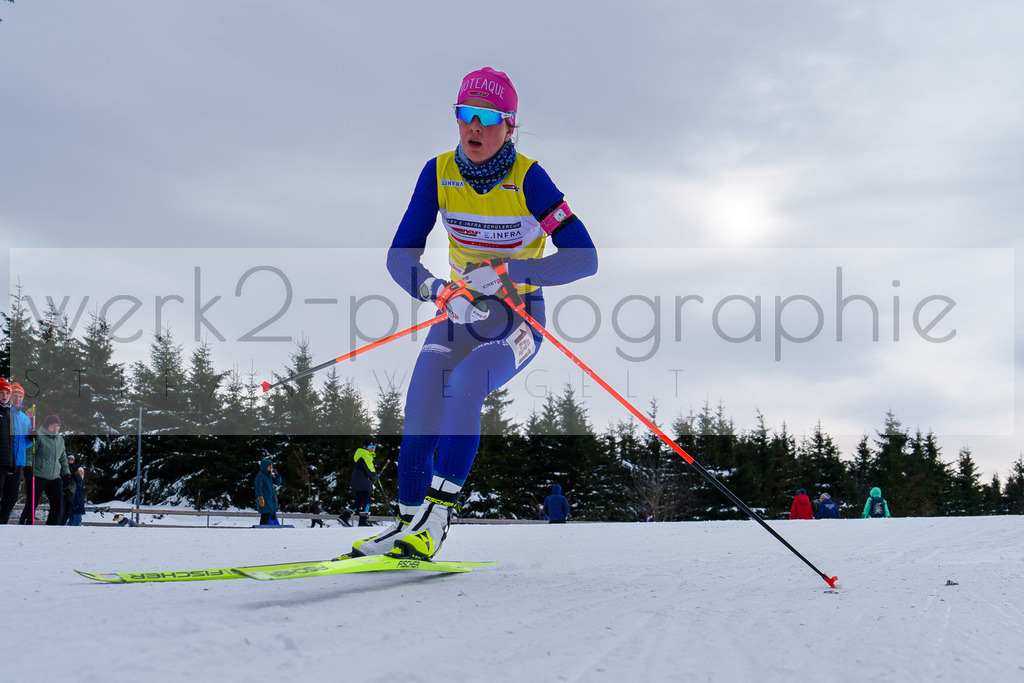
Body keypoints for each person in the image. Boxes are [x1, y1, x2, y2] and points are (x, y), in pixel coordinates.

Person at [350, 67, 598, 560]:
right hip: (461, 310)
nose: (475, 128)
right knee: (422, 400)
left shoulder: (529, 178)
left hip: (519, 316)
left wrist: (512, 272)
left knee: (466, 384)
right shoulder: (437, 172)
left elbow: (584, 257)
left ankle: (438, 518)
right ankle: (405, 525)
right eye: (466, 115)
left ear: (510, 125)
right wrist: (439, 291)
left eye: (488, 118)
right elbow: (399, 256)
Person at [30, 413, 70, 525]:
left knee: (58, 505)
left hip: (54, 476)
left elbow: (63, 458)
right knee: (32, 504)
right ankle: (25, 525)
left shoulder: (60, 440)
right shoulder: (39, 436)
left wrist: (66, 473)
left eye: (57, 425)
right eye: (53, 425)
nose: (55, 427)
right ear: (47, 425)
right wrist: (29, 469)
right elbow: (31, 454)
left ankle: (52, 528)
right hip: (39, 474)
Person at [4, 382, 34, 524]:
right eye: (15, 395)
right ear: (10, 396)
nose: (17, 399)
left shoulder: (25, 418)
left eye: (20, 396)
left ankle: (2, 522)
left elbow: (26, 443)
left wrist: (32, 438)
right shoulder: (5, 413)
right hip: (4, 461)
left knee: (12, 496)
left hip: (19, 462)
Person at [341, 438, 379, 528]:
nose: (372, 449)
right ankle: (363, 520)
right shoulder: (366, 455)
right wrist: (374, 475)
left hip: (357, 483)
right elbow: (370, 469)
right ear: (365, 447)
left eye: (374, 447)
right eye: (370, 447)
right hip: (363, 483)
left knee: (359, 501)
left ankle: (344, 516)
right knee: (367, 500)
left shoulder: (362, 455)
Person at [0, 378, 17, 524]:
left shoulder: (9, 414)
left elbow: (11, 441)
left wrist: (12, 463)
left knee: (10, 496)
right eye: (1, 393)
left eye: (7, 393)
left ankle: (3, 524)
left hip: (6, 462)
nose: (4, 396)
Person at [254, 458, 282, 525]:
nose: (271, 468)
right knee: (265, 517)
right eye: (269, 466)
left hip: (272, 500)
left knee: (272, 516)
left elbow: (278, 482)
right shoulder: (260, 476)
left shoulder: (270, 476)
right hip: (265, 500)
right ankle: (263, 531)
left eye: (271, 466)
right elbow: (258, 488)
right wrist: (260, 497)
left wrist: (277, 475)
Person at [59, 453, 78, 525]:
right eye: (68, 459)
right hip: (63, 493)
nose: (70, 461)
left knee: (67, 513)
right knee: (61, 512)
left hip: (71, 493)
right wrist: (65, 489)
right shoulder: (61, 468)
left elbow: (79, 480)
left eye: (71, 459)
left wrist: (75, 472)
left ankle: (63, 525)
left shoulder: (74, 468)